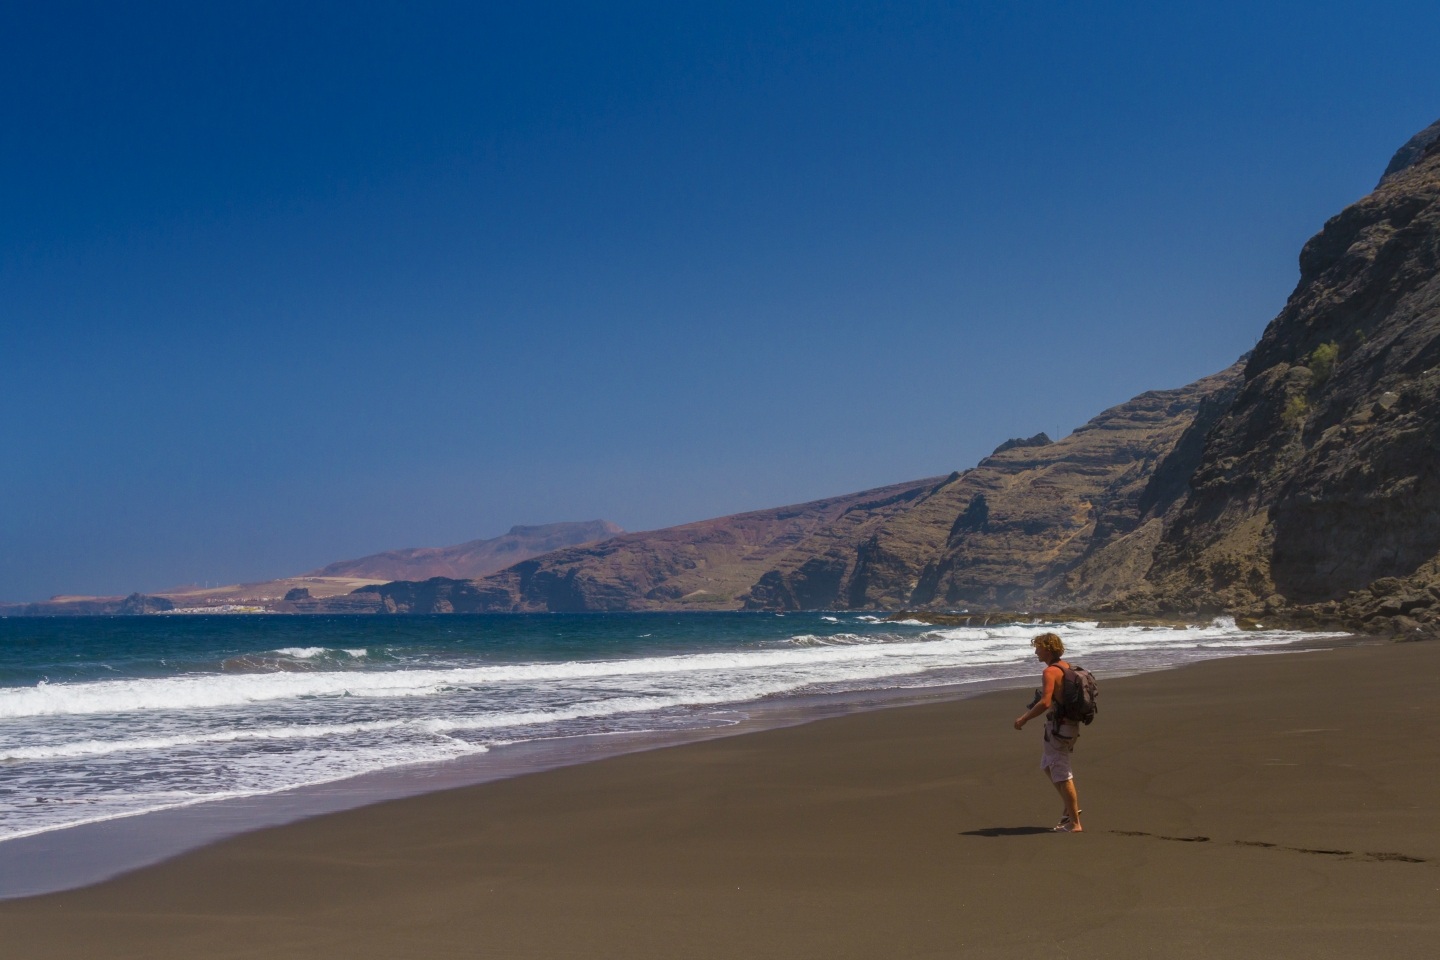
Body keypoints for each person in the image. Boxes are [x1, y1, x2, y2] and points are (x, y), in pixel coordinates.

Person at [1013, 632, 1082, 832]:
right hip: (1070, 726)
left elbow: (1045, 702)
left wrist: (1024, 718)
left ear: (1048, 649)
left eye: (1039, 648)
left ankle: (1074, 823)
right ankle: (1070, 809)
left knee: (1062, 774)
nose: (1036, 652)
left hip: (1059, 728)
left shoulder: (1050, 672)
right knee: (1047, 765)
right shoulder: (1067, 667)